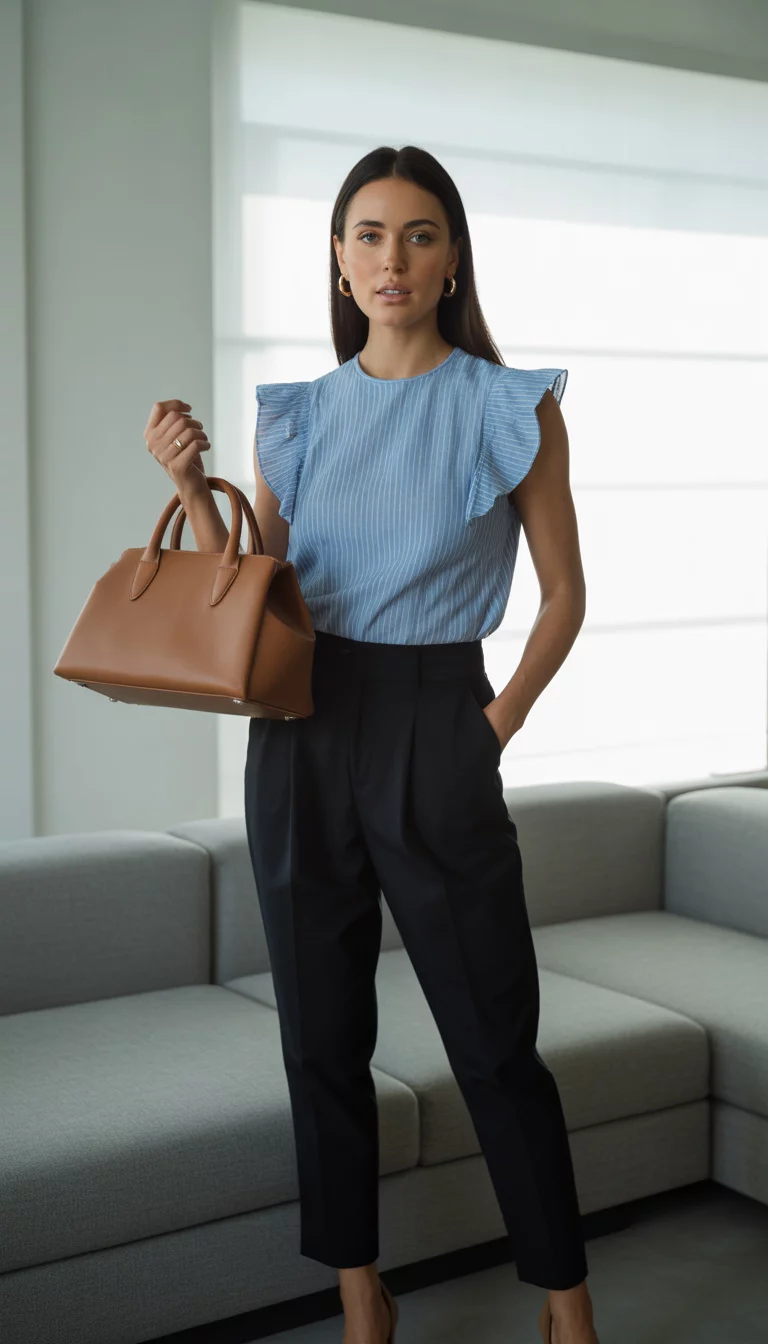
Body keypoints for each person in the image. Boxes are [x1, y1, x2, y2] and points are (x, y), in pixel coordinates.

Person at [144, 144, 596, 1344]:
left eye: (418, 234)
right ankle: (361, 1297)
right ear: (339, 263)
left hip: (435, 720)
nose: (390, 258)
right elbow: (260, 593)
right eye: (366, 234)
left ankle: (566, 1300)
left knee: (496, 1038)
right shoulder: (293, 418)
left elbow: (561, 596)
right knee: (320, 1037)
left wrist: (488, 729)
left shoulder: (511, 406)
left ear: (452, 260)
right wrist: (195, 493)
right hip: (302, 732)